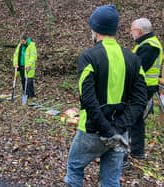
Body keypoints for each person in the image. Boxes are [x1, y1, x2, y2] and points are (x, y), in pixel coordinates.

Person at [64, 5, 147, 187]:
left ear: (95, 29)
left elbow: (88, 99)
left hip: (92, 130)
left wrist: (107, 130)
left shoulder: (88, 57)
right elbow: (140, 100)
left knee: (75, 168)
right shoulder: (133, 59)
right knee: (111, 179)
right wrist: (118, 129)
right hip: (120, 132)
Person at [129, 18, 163, 159]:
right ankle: (136, 151)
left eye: (132, 30)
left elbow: (138, 67)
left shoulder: (149, 46)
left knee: (132, 117)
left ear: (139, 31)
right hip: (143, 86)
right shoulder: (145, 43)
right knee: (136, 118)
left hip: (144, 87)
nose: (130, 33)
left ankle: (133, 151)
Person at [13, 34, 37, 101]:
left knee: (29, 81)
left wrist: (29, 64)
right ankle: (25, 93)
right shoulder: (20, 45)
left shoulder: (32, 46)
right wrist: (15, 63)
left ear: (26, 40)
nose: (21, 42)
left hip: (29, 67)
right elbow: (15, 55)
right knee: (23, 80)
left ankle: (32, 95)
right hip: (21, 66)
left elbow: (33, 57)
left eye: (23, 41)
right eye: (21, 41)